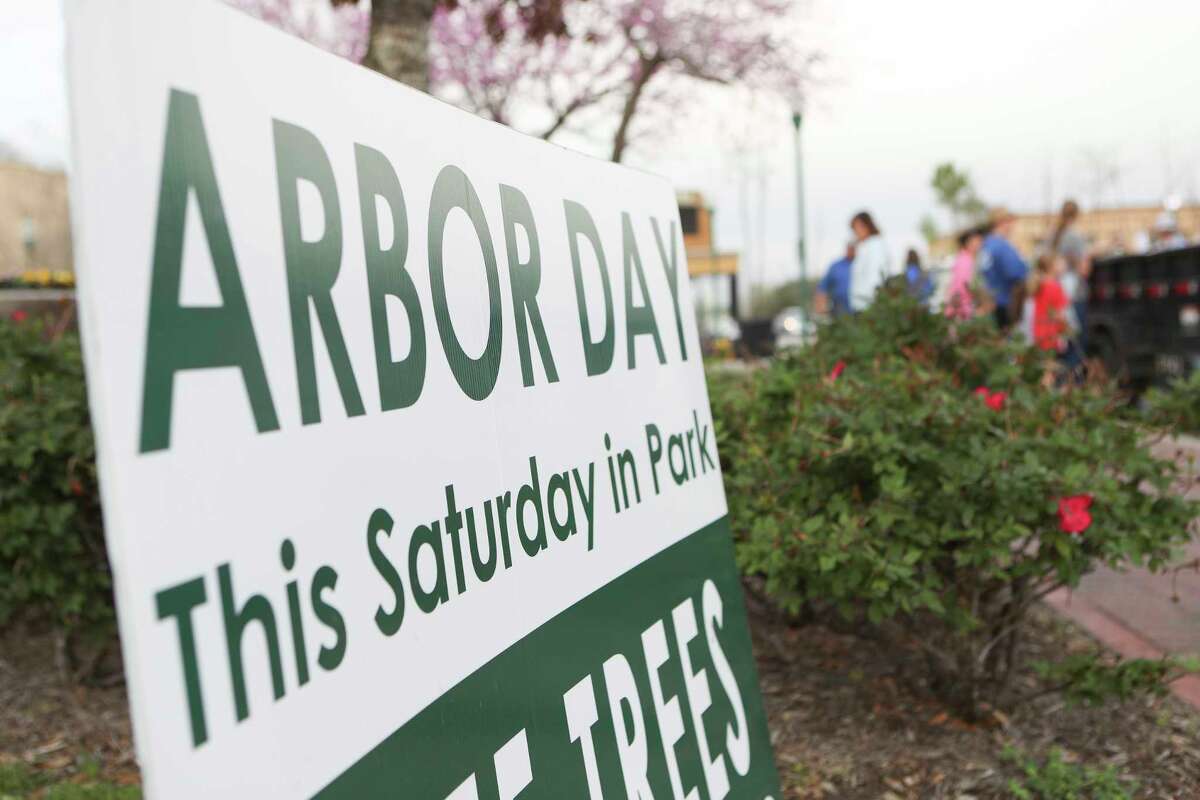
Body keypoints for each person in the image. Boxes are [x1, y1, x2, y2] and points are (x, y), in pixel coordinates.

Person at [1048, 200, 1090, 349]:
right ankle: (1071, 372)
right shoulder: (1075, 236)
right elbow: (1084, 269)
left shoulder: (1052, 236)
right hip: (1074, 295)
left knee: (1059, 341)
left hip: (1054, 295)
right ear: (1076, 215)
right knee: (1076, 341)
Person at [979, 207, 1029, 329]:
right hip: (1006, 302)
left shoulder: (986, 244)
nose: (1012, 226)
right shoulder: (1002, 246)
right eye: (1010, 222)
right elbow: (1016, 273)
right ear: (1001, 223)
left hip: (991, 303)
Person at [847, 211, 894, 311]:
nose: (855, 233)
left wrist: (871, 305)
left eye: (857, 228)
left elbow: (876, 278)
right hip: (862, 306)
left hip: (869, 307)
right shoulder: (865, 247)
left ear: (867, 226)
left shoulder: (875, 245)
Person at [1029, 252, 1069, 353]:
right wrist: (1064, 334)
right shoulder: (1055, 287)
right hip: (1051, 333)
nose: (1064, 265)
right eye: (1060, 263)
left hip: (1038, 331)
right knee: (1051, 364)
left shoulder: (1039, 284)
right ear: (1052, 267)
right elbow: (1060, 315)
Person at [944, 227, 984, 319]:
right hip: (962, 310)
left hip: (962, 308)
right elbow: (964, 286)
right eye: (976, 241)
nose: (979, 243)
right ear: (967, 243)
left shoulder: (966, 258)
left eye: (980, 240)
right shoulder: (965, 260)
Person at [814, 242, 854, 317]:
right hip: (840, 308)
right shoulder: (836, 266)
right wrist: (820, 306)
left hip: (861, 307)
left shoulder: (861, 263)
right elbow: (822, 287)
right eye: (850, 248)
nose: (851, 250)